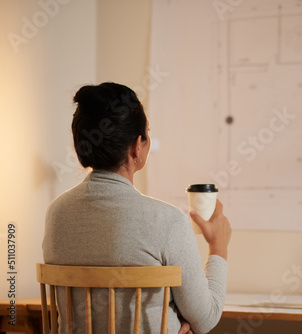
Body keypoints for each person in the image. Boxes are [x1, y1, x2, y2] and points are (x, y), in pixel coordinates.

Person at [42, 82, 231, 334]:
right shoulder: (168, 221)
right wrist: (218, 246)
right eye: (147, 132)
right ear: (136, 146)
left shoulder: (56, 214)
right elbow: (205, 319)